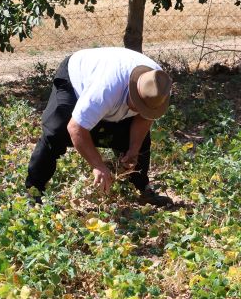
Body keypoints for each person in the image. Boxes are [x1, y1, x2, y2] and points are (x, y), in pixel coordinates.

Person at [26, 47, 172, 206]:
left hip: (112, 90)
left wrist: (133, 149)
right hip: (76, 77)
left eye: (145, 108)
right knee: (56, 132)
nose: (139, 110)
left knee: (137, 142)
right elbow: (76, 128)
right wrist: (98, 165)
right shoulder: (106, 89)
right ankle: (33, 192)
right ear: (132, 90)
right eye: (138, 104)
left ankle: (141, 190)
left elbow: (144, 118)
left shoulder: (160, 87)